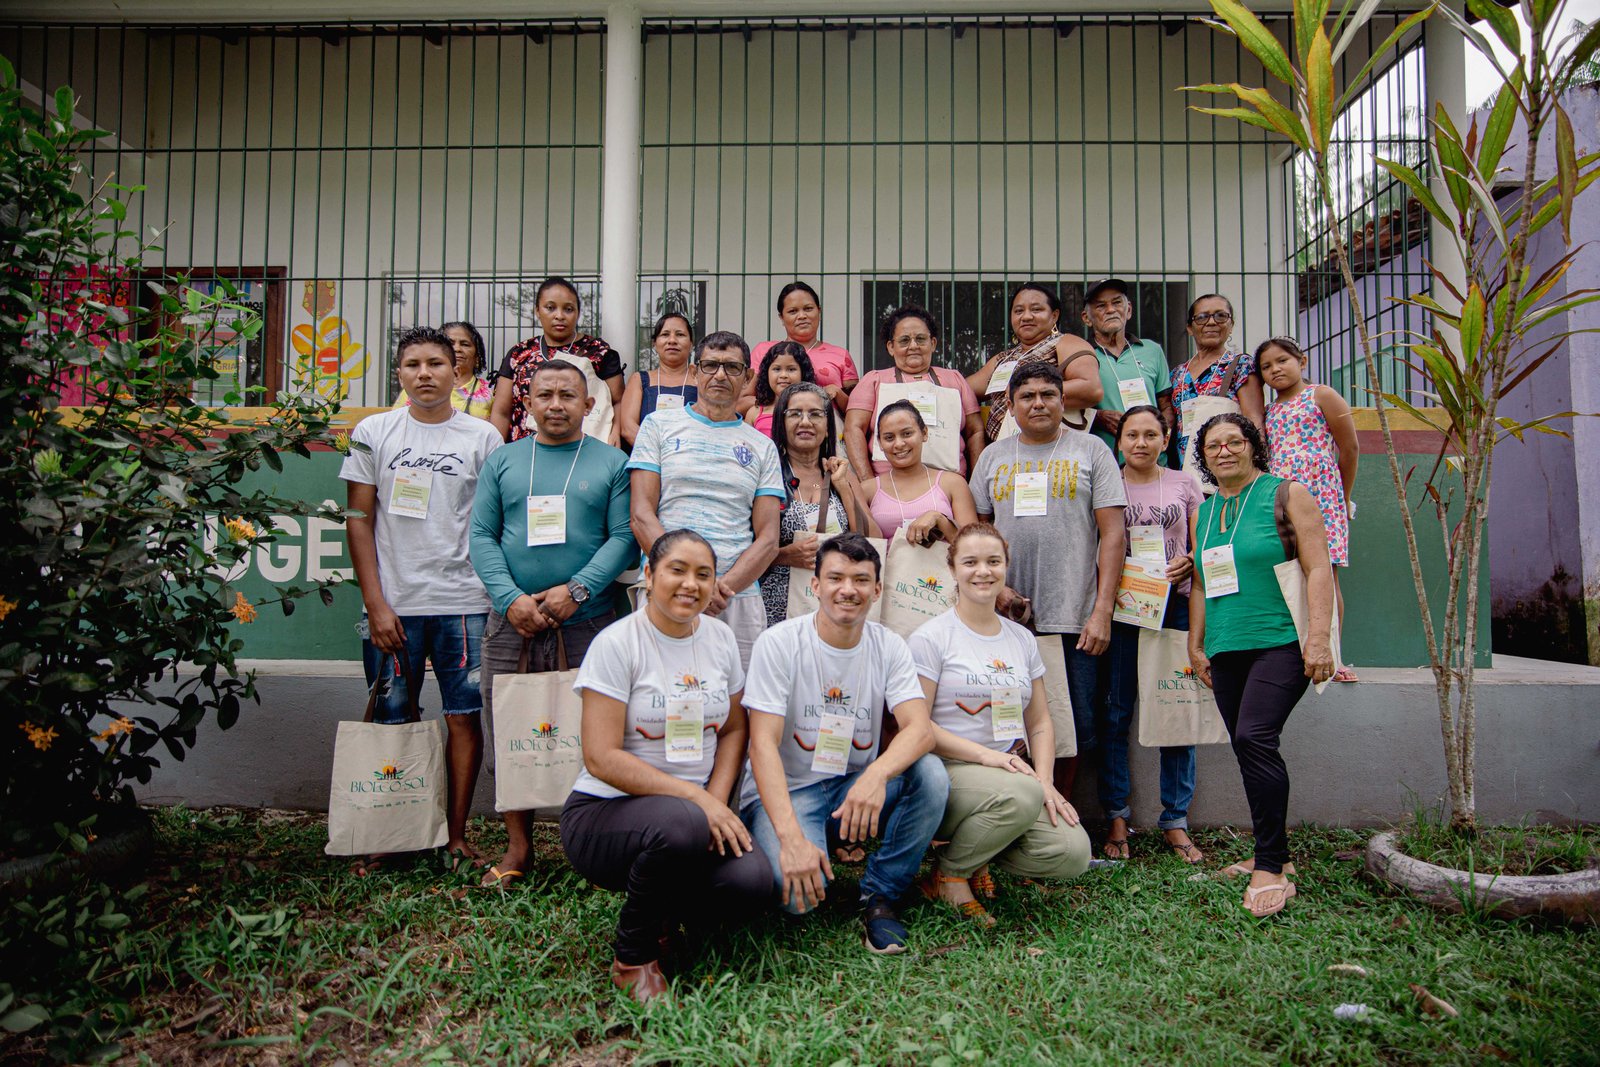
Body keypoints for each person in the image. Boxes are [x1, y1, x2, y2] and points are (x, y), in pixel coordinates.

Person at [561, 530, 772, 1002]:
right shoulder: (617, 644)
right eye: (677, 570)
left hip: (692, 815)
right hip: (606, 812)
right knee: (678, 825)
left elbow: (735, 728)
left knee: (754, 882)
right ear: (649, 575)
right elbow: (601, 756)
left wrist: (715, 801)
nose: (690, 584)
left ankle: (665, 911)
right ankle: (633, 957)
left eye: (704, 574)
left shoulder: (719, 638)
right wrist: (699, 803)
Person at [341, 326, 504, 871]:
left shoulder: (483, 439)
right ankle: (397, 833)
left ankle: (454, 834)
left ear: (457, 371)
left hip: (465, 603)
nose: (425, 373)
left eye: (436, 363)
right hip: (396, 605)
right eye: (412, 364)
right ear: (399, 374)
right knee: (395, 719)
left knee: (463, 717)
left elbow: (490, 526)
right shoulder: (372, 432)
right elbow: (359, 522)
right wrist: (376, 603)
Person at [470, 359, 637, 889]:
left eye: (569, 395)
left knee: (594, 734)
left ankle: (589, 845)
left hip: (590, 619)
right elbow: (481, 535)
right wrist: (510, 597)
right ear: (528, 402)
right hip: (511, 621)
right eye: (545, 395)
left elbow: (624, 537)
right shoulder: (505, 460)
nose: (557, 404)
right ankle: (519, 846)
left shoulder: (613, 463)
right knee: (510, 728)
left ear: (590, 406)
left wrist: (578, 589)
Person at [741, 533, 950, 955]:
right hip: (789, 791)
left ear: (877, 589)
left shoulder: (888, 645)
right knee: (799, 899)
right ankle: (793, 843)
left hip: (851, 787)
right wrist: (791, 838)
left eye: (860, 579)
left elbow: (919, 729)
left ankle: (881, 893)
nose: (847, 590)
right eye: (835, 577)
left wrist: (876, 774)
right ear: (815, 585)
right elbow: (761, 745)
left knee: (930, 774)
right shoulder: (779, 643)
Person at [907, 523, 1092, 926]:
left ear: (1006, 566)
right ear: (952, 567)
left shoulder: (1020, 639)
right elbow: (917, 727)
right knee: (1020, 794)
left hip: (1013, 776)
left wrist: (1045, 781)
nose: (983, 572)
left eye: (993, 561)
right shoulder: (931, 638)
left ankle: (979, 857)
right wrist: (992, 760)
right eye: (970, 562)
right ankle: (950, 874)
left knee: (1072, 852)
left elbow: (1040, 720)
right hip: (947, 771)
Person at [1188, 413, 1335, 918]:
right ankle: (1274, 855)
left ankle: (1271, 867)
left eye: (1234, 441)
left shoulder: (1287, 494)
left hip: (1282, 640)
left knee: (1254, 736)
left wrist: (1317, 639)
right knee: (1249, 748)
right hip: (1228, 644)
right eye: (1212, 446)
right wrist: (1195, 643)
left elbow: (1319, 567)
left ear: (1253, 446)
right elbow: (1204, 584)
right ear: (1203, 457)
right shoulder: (1204, 512)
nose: (1224, 451)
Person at [968, 361, 1126, 806]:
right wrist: (993, 594)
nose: (1038, 403)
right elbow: (980, 532)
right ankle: (1015, 813)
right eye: (1027, 396)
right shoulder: (994, 457)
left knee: (1073, 724)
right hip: (1005, 617)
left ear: (1062, 401)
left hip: (1073, 615)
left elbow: (1113, 535)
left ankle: (1060, 816)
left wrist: (1102, 611)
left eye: (1047, 394)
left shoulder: (1092, 450)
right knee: (1006, 720)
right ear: (1011, 406)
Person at [629, 330, 784, 667]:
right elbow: (641, 515)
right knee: (655, 698)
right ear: (696, 371)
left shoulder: (762, 446)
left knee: (735, 706)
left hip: (735, 597)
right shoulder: (657, 426)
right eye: (711, 365)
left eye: (731, 367)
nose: (720, 375)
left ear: (747, 378)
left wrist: (718, 587)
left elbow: (769, 538)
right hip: (666, 589)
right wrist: (687, 579)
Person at [1098, 406, 1205, 862]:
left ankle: (1175, 819)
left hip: (1175, 609)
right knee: (1115, 714)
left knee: (1176, 711)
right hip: (1123, 611)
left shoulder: (1184, 483)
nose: (1140, 443)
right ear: (1118, 441)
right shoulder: (1107, 483)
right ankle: (1116, 815)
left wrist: (1191, 560)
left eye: (1150, 435)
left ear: (1165, 439)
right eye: (1131, 435)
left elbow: (1202, 543)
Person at [1259, 336, 1358, 681]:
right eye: (1266, 367)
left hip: (1323, 500)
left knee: (1326, 575)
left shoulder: (1322, 395)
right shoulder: (1269, 411)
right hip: (1281, 500)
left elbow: (1350, 449)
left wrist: (1341, 498)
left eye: (1282, 360)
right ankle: (1294, 650)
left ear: (1301, 361)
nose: (1275, 369)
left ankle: (1334, 655)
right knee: (1290, 574)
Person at [759, 382, 880, 628]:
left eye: (815, 414)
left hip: (834, 606)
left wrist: (842, 486)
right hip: (776, 607)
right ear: (781, 425)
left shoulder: (842, 474)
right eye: (795, 414)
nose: (806, 422)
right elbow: (745, 547)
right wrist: (782, 556)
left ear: (827, 427)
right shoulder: (766, 475)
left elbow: (872, 541)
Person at [845, 306, 983, 479]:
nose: (913, 346)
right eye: (904, 340)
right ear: (890, 347)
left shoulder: (955, 380)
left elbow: (975, 431)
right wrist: (868, 482)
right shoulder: (874, 381)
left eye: (920, 339)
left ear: (933, 344)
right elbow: (853, 429)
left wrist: (976, 482)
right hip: (888, 484)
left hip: (949, 485)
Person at [491, 276, 625, 442]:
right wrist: (496, 449)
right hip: (525, 450)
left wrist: (615, 432)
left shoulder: (598, 351)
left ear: (577, 312)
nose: (559, 316)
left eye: (568, 309)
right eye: (550, 308)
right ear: (537, 311)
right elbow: (501, 412)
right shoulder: (519, 354)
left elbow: (618, 401)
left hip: (582, 448)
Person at [969, 282, 1103, 445]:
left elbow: (1091, 388)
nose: (1026, 317)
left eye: (1036, 309)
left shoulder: (1065, 343)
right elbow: (963, 390)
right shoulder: (1004, 358)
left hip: (1051, 449)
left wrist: (1025, 392)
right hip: (1004, 453)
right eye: (1019, 311)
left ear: (1054, 315)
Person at [859, 401, 978, 546]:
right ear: (880, 443)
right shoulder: (867, 490)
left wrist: (940, 520)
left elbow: (973, 547)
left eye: (907, 433)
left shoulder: (952, 483)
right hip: (889, 568)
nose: (899, 444)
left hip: (944, 567)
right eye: (889, 437)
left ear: (924, 433)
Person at [1082, 280, 1175, 453]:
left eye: (1117, 302)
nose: (1111, 310)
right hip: (1107, 460)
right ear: (1087, 318)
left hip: (1153, 460)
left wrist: (1163, 438)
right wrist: (1098, 417)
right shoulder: (1080, 355)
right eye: (1101, 306)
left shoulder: (1152, 350)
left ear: (1129, 309)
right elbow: (1066, 406)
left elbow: (1166, 406)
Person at [1171, 294, 1265, 463]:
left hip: (1226, 461)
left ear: (1231, 325)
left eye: (1220, 316)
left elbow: (1254, 418)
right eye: (1202, 317)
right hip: (1183, 467)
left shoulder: (1241, 366)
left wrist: (1258, 464)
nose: (1212, 322)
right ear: (1190, 328)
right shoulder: (1178, 374)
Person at [750, 281, 859, 410]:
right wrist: (781, 406)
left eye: (808, 309)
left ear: (819, 311)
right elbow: (743, 399)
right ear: (781, 318)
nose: (802, 316)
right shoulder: (764, 351)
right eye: (793, 311)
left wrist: (837, 392)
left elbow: (858, 408)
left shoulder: (841, 355)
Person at [618, 313, 698, 448]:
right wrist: (660, 453)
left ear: (691, 344)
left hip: (691, 458)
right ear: (654, 344)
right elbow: (628, 428)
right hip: (647, 459)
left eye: (680, 334)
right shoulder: (640, 380)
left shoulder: (701, 380)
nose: (672, 340)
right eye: (665, 334)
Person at [392, 321, 493, 419]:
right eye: (451, 343)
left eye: (465, 344)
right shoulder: (416, 389)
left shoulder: (490, 393)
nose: (457, 348)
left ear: (477, 357)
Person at [742, 341, 814, 437]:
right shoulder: (754, 413)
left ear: (803, 373)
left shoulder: (814, 411)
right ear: (766, 374)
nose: (783, 375)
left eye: (791, 369)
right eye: (777, 369)